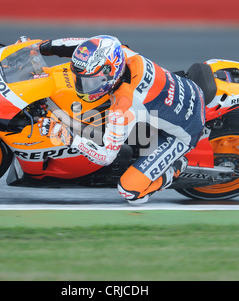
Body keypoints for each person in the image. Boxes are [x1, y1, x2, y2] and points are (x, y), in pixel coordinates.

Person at [32, 35, 206, 204]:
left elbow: (106, 157)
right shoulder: (119, 52)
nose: (83, 87)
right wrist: (40, 47)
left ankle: (175, 169)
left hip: (185, 131)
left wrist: (70, 139)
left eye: (91, 82)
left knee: (130, 192)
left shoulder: (124, 106)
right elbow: (83, 46)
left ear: (111, 73)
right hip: (184, 90)